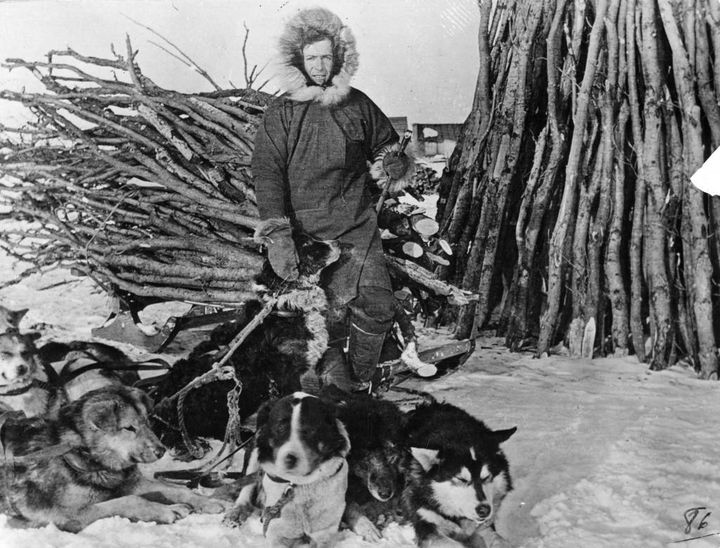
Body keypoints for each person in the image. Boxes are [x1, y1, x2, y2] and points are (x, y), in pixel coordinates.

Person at [252, 7, 433, 390]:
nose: (319, 66)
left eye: (326, 57)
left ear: (339, 59)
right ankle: (320, 390)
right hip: (305, 233)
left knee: (377, 306)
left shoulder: (358, 104)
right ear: (298, 60)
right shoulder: (281, 112)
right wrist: (277, 234)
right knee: (316, 319)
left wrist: (394, 162)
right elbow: (267, 173)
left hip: (355, 226)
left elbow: (386, 144)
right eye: (311, 58)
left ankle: (358, 385)